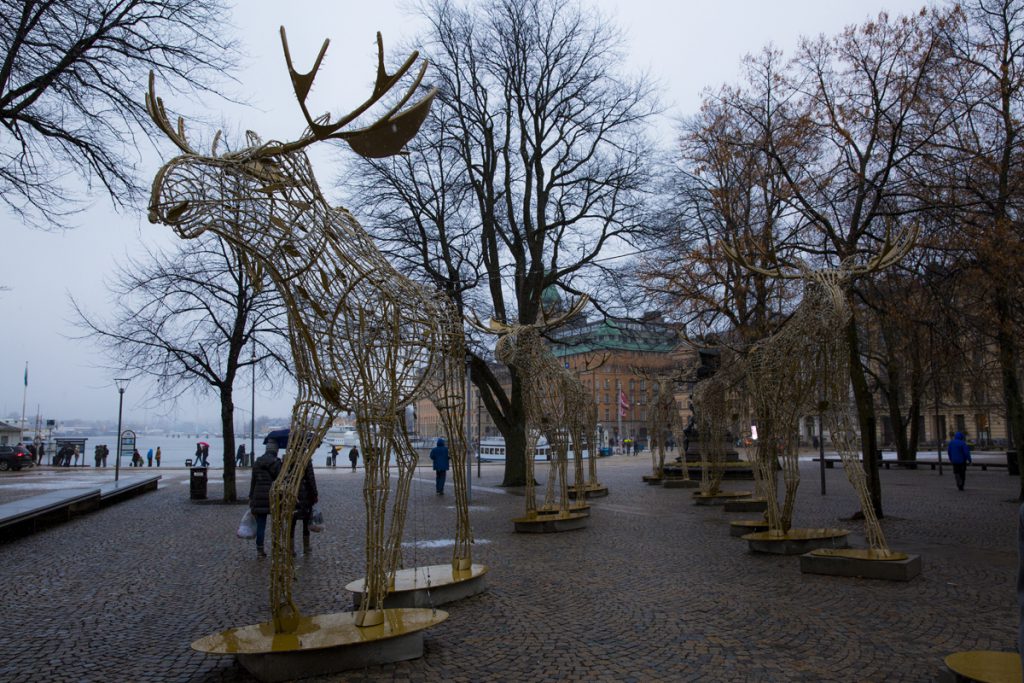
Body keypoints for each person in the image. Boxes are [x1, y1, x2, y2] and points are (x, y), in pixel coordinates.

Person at [249, 443, 282, 558]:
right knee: (276, 523)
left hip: (258, 495)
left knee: (261, 524)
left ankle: (260, 550)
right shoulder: (277, 463)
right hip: (272, 495)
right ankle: (276, 547)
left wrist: (251, 497)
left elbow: (253, 481)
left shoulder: (257, 462)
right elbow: (280, 480)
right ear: (276, 451)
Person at [292, 460, 318, 555]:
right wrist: (315, 494)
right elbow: (311, 479)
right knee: (306, 521)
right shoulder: (306, 460)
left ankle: (291, 548)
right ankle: (306, 547)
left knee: (292, 521)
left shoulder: (289, 459)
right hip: (305, 493)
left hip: (292, 493)